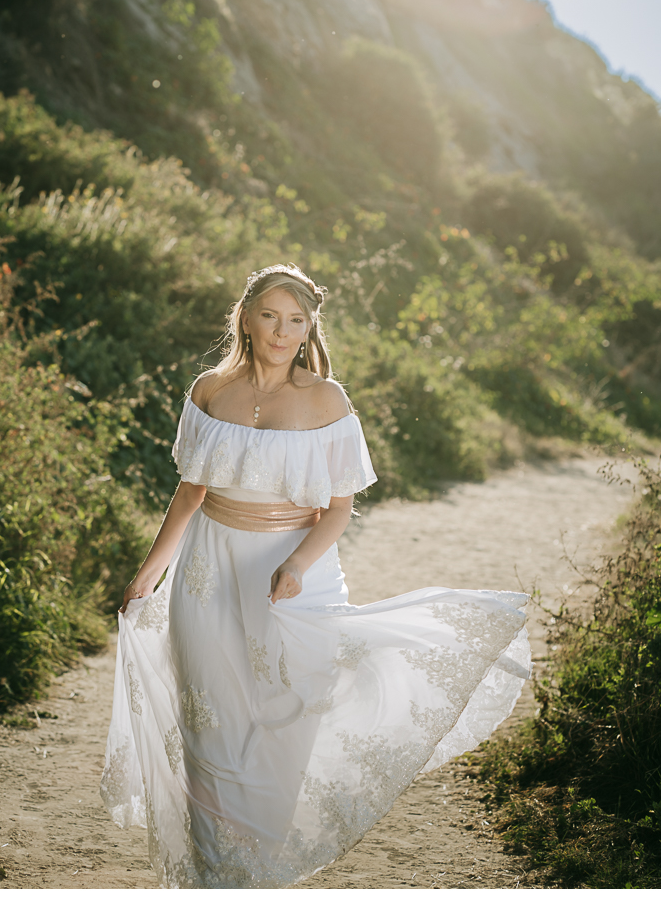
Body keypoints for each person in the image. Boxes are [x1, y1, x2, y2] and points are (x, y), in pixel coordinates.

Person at [100, 263, 531, 888]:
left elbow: (338, 509)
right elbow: (190, 492)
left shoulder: (328, 401)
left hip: (294, 575)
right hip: (206, 573)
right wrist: (150, 574)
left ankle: (261, 869)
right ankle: (218, 876)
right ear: (246, 318)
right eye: (270, 316)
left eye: (295, 320)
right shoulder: (208, 390)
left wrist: (296, 564)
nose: (281, 331)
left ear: (309, 328)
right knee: (210, 723)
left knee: (285, 719)